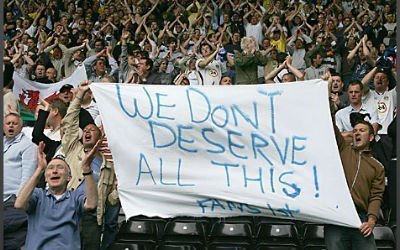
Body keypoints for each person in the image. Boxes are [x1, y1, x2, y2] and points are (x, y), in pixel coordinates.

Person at [325, 82, 385, 249]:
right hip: (336, 215)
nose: (356, 133)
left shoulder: (377, 167)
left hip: (361, 219)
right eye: (355, 130)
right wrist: (330, 106)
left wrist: (371, 220)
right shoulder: (343, 149)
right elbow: (330, 127)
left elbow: (376, 197)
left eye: (362, 131)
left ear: (371, 138)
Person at [60, 81, 117, 250]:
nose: (86, 131)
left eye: (92, 130)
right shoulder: (73, 149)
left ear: (99, 139)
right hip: (67, 211)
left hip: (91, 217)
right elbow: (69, 121)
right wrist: (79, 95)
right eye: (85, 130)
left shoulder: (108, 167)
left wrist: (117, 190)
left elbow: (111, 200)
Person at [14, 141, 98, 250]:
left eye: (60, 167)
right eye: (50, 168)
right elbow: (19, 204)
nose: (55, 171)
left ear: (69, 177)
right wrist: (40, 169)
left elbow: (91, 204)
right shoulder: (38, 195)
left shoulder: (75, 197)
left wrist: (86, 169)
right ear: (45, 178)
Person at [3, 113, 37, 249]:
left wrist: (20, 200)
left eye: (15, 123)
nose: (11, 125)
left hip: (13, 201)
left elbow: (28, 175)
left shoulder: (28, 146)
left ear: (21, 126)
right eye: (8, 123)